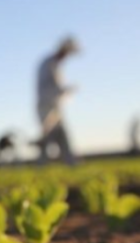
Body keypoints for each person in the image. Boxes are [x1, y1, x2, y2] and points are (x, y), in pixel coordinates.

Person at [36, 37, 80, 166]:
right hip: (46, 106)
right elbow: (49, 87)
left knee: (62, 135)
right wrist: (66, 90)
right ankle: (42, 166)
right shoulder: (48, 64)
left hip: (55, 107)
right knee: (49, 136)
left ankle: (71, 163)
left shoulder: (55, 65)